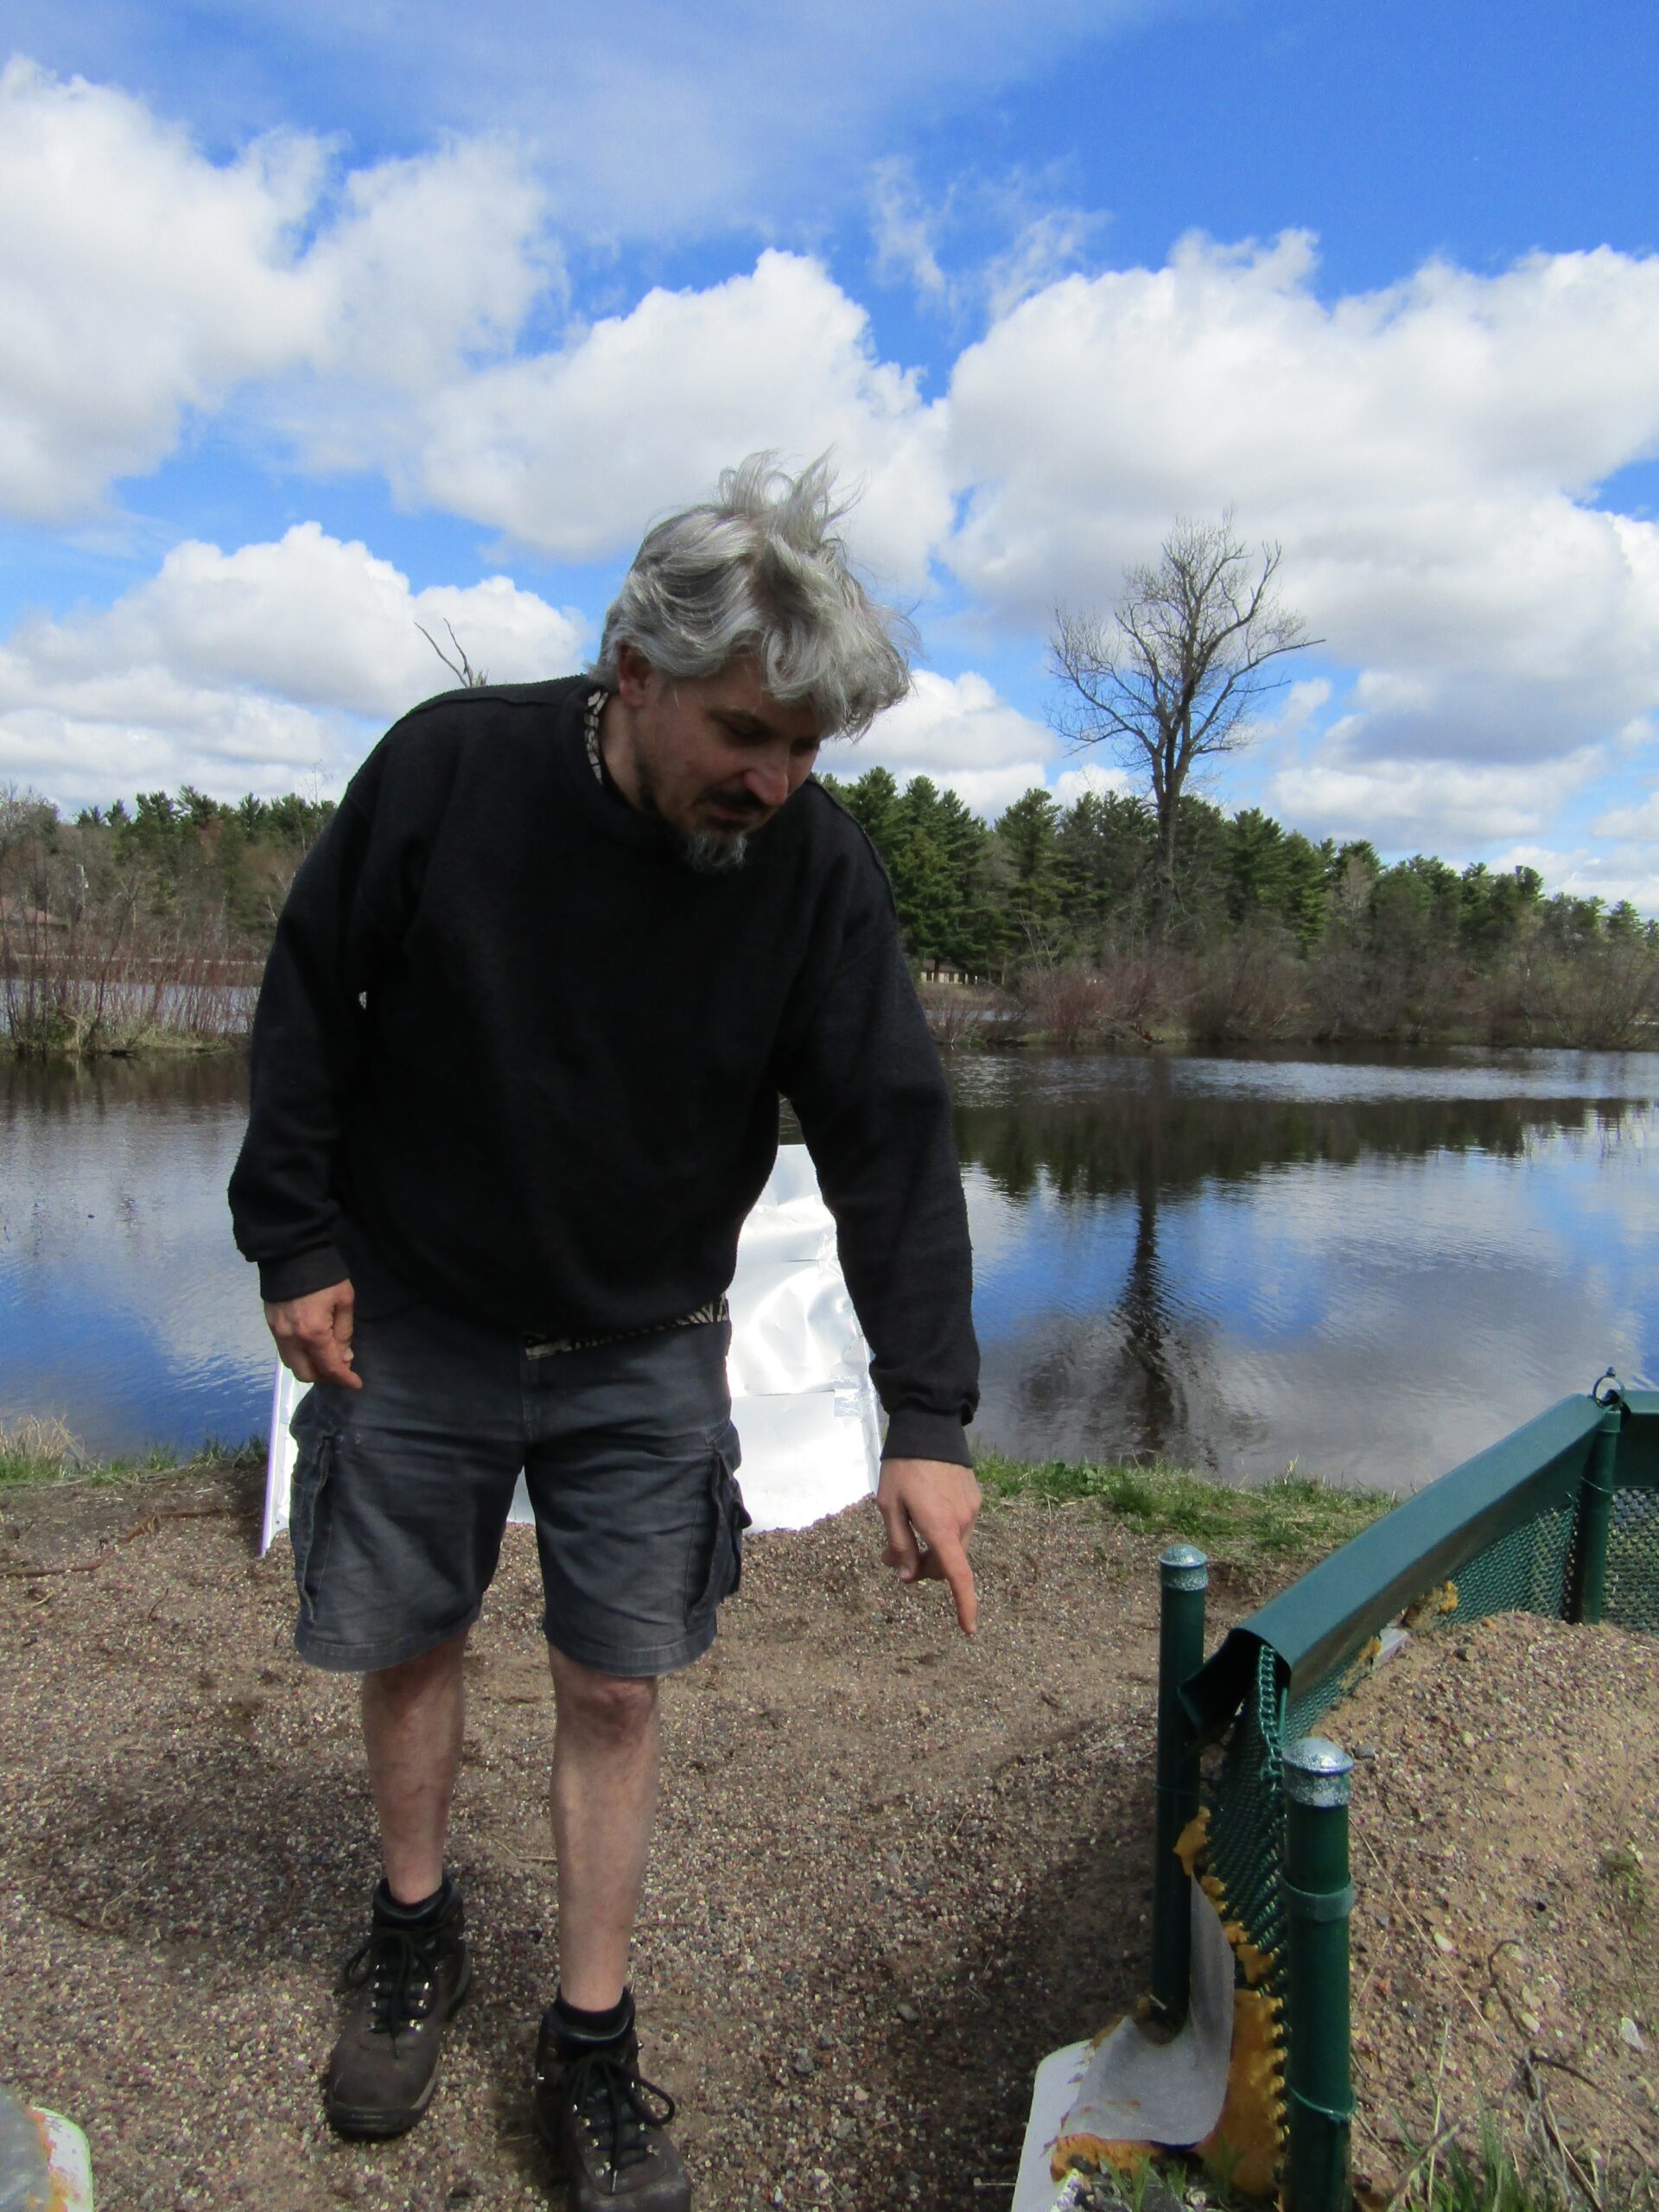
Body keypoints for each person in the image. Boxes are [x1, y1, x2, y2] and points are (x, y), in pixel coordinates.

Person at [228, 454, 980, 2211]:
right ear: (633, 671)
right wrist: (296, 1233)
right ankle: (415, 1927)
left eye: (808, 749)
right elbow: (308, 992)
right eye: (749, 732)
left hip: (647, 1329)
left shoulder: (810, 866)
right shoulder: (452, 771)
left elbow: (888, 1129)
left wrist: (928, 1418)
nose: (778, 779)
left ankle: (587, 2034)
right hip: (413, 1302)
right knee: (411, 1627)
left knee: (615, 1678)